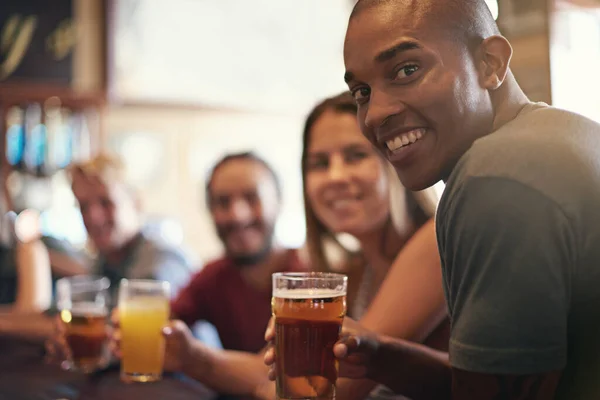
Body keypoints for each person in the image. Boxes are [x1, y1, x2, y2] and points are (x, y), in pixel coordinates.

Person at [314, 0, 600, 399]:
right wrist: (384, 357)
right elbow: (502, 379)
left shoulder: (494, 174)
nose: (375, 114)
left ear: (490, 63)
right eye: (362, 91)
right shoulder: (564, 134)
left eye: (407, 70)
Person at [112, 93, 449, 400]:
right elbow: (275, 373)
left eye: (355, 155)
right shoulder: (356, 271)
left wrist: (261, 386)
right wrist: (190, 357)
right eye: (319, 163)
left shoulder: (434, 240)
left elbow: (328, 390)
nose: (335, 176)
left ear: (394, 160)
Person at [167, 151, 307, 353]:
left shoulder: (311, 276)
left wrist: (193, 358)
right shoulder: (214, 278)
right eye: (223, 202)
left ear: (278, 202)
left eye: (252, 198)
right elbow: (166, 322)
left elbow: (276, 371)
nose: (237, 215)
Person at [67, 153, 192, 299]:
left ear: (135, 203)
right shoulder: (102, 264)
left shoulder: (164, 262)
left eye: (106, 202)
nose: (93, 217)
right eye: (84, 206)